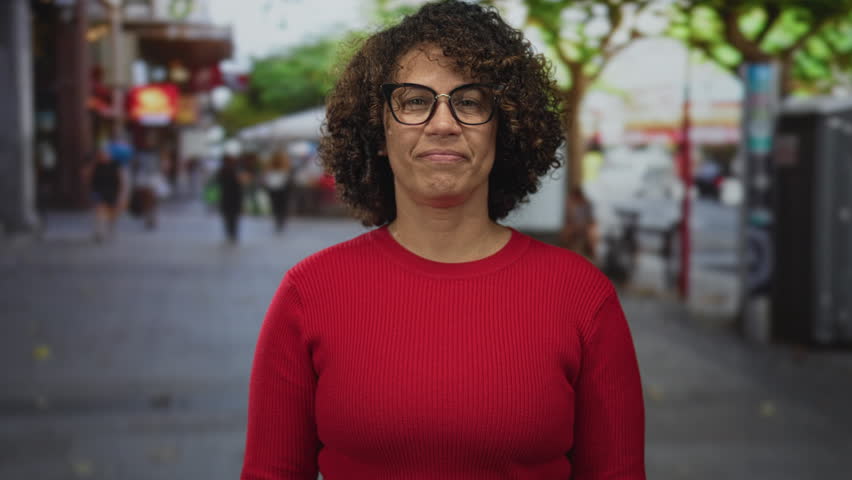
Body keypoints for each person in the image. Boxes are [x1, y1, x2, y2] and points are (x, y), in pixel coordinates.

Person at [241, 2, 645, 479]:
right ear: (378, 129)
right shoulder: (309, 293)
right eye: (414, 101)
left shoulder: (582, 296)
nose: (443, 123)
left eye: (470, 101)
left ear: (505, 127)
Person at [82, 146, 124, 242]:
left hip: (112, 190)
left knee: (111, 213)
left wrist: (121, 193)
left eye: (105, 154)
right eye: (101, 154)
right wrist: (92, 164)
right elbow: (86, 177)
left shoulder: (115, 164)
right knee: (99, 210)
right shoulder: (95, 165)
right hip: (98, 190)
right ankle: (99, 232)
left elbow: (121, 179)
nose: (103, 156)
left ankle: (110, 230)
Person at [216, 154, 246, 244]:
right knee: (234, 216)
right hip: (235, 197)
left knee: (228, 216)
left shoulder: (222, 171)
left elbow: (218, 182)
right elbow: (241, 183)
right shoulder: (236, 171)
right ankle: (233, 233)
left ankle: (230, 233)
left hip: (226, 197)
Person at [562, 186, 598, 261]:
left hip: (585, 227)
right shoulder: (572, 205)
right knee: (568, 232)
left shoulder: (587, 205)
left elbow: (591, 221)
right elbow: (569, 220)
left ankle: (591, 252)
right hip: (577, 228)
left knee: (591, 233)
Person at [262, 150, 293, 232]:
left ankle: (279, 221)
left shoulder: (281, 167)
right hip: (278, 189)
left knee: (277, 206)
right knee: (280, 206)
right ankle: (279, 221)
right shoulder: (282, 167)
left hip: (276, 189)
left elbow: (267, 178)